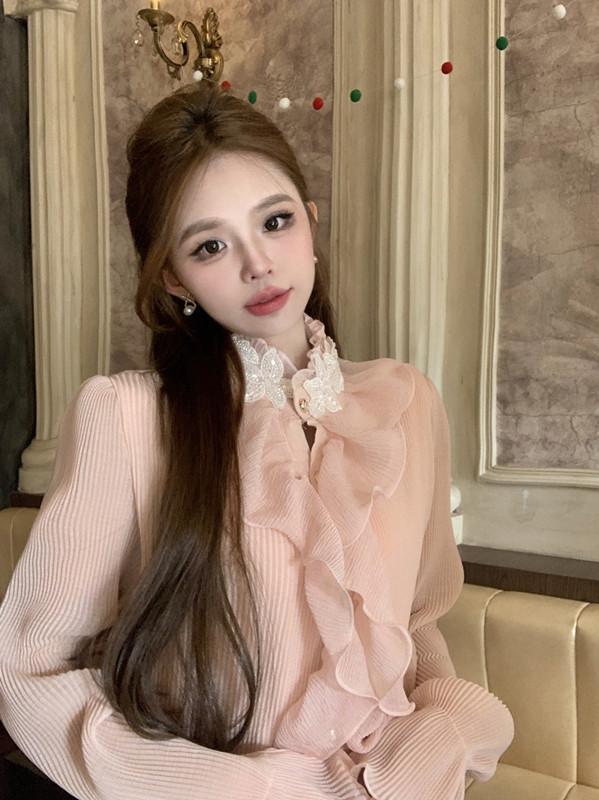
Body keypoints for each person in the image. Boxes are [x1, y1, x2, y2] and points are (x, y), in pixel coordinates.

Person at [0, 80, 513, 800]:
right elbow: (30, 671)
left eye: (274, 222)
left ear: (309, 222)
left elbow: (416, 620)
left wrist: (444, 736)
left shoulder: (405, 404)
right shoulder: (126, 417)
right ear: (175, 278)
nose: (258, 264)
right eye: (210, 245)